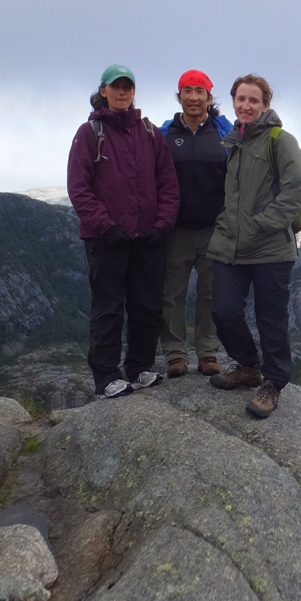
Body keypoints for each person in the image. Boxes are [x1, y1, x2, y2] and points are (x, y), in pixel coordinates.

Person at [67, 64, 180, 398]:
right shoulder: (90, 133)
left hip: (147, 237)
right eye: (115, 87)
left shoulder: (149, 133)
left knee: (148, 306)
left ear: (133, 92)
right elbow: (78, 188)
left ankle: (141, 367)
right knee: (108, 308)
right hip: (107, 239)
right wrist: (106, 226)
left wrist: (161, 225)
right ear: (103, 91)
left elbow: (168, 183)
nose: (122, 92)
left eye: (127, 87)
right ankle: (106, 377)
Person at [207, 74, 301, 418]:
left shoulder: (280, 141)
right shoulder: (233, 141)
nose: (246, 105)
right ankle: (249, 365)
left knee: (271, 318)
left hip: (270, 248)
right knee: (223, 310)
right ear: (233, 103)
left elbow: (295, 191)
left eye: (254, 100)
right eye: (240, 99)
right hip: (230, 245)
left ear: (266, 104)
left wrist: (259, 225)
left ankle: (273, 383)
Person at [159, 70, 233, 379]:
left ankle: (207, 353)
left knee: (211, 294)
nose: (193, 97)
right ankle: (175, 354)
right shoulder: (164, 134)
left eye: (199, 91)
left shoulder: (224, 132)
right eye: (187, 91)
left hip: (214, 228)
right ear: (179, 97)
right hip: (176, 229)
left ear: (208, 98)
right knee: (171, 294)